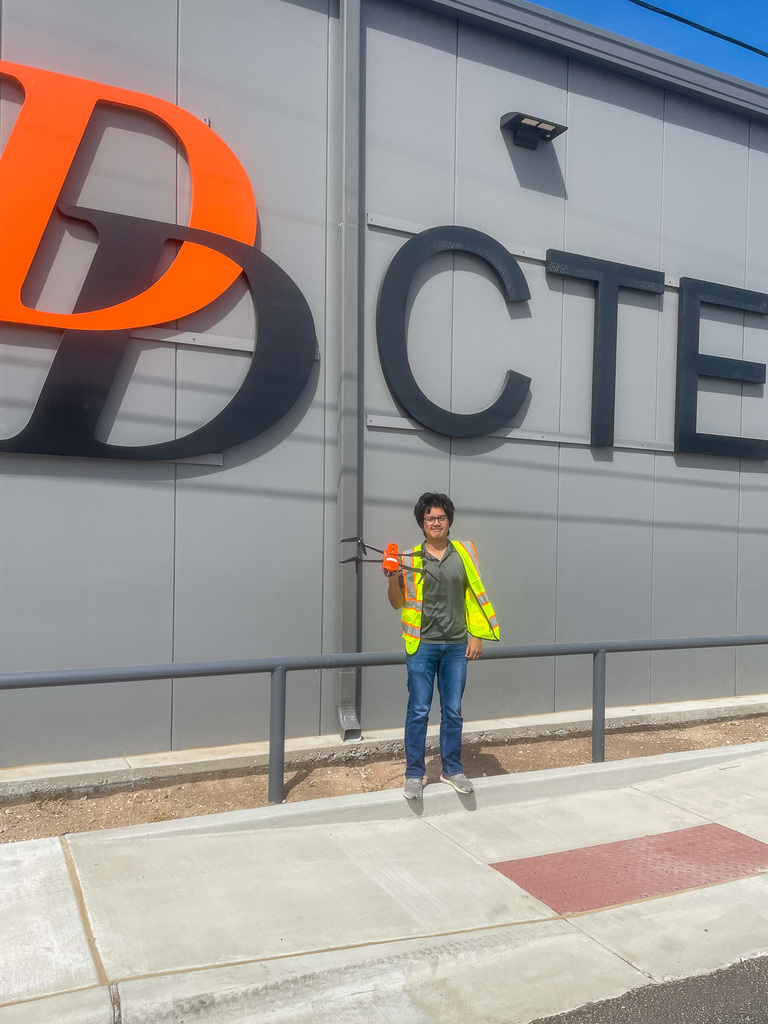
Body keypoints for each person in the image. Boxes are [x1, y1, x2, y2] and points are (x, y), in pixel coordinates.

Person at [385, 492, 500, 801]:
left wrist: (476, 635)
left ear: (449, 521)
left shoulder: (465, 552)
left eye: (441, 517)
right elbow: (397, 603)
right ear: (422, 524)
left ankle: (451, 768)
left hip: (456, 645)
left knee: (453, 710)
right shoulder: (409, 559)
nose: (436, 523)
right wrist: (393, 578)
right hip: (422, 645)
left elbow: (473, 595)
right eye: (429, 518)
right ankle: (414, 774)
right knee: (419, 710)